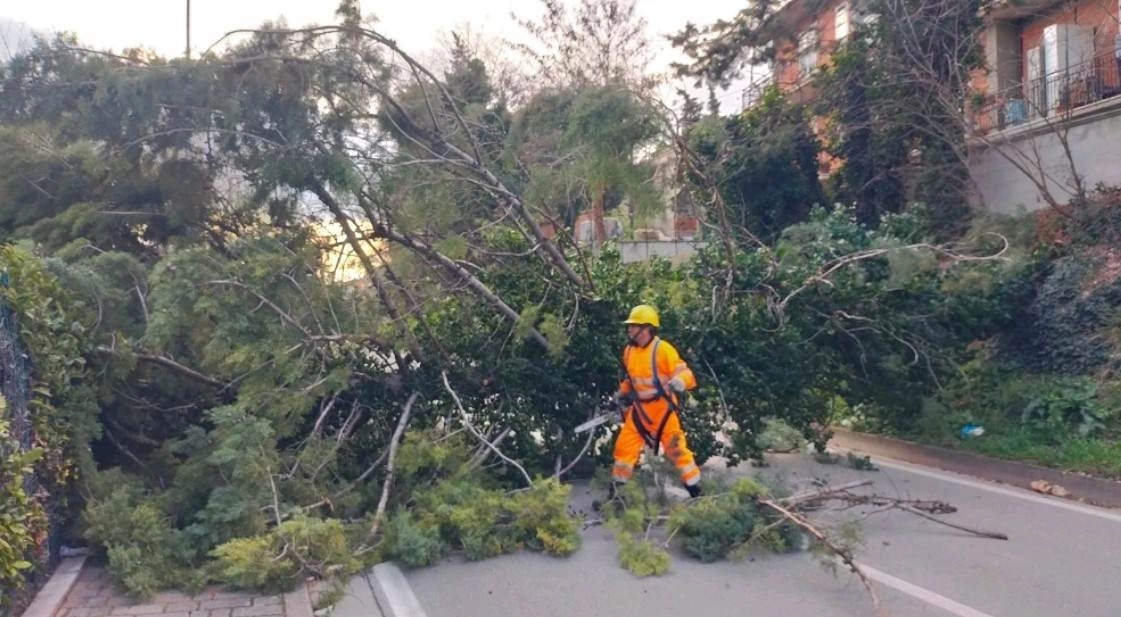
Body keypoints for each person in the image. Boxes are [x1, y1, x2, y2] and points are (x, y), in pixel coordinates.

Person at [610, 304, 702, 498]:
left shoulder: (663, 350)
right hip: (639, 412)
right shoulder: (629, 351)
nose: (629, 329)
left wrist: (679, 381)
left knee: (677, 451)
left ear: (647, 328)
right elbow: (631, 380)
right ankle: (617, 496)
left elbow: (686, 374)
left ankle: (696, 493)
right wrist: (620, 394)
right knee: (623, 449)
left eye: (634, 325)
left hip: (663, 410)